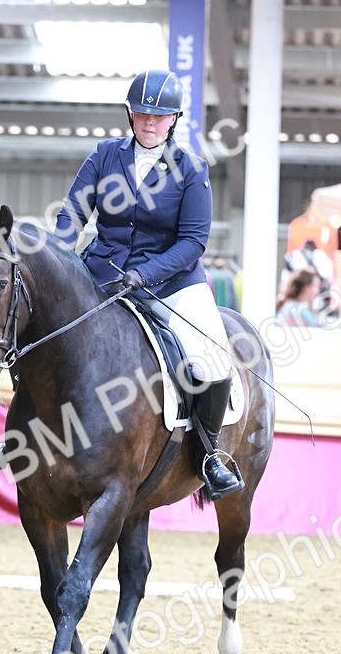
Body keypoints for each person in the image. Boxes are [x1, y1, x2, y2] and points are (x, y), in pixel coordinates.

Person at [53, 68, 241, 499]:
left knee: (209, 359)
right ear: (129, 114)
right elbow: (73, 214)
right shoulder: (104, 155)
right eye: (141, 114)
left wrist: (146, 274)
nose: (149, 122)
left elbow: (194, 241)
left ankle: (210, 455)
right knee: (47, 330)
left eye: (158, 116)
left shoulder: (191, 168)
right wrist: (61, 259)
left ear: (173, 119)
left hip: (171, 282)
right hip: (101, 274)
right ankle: (24, 432)